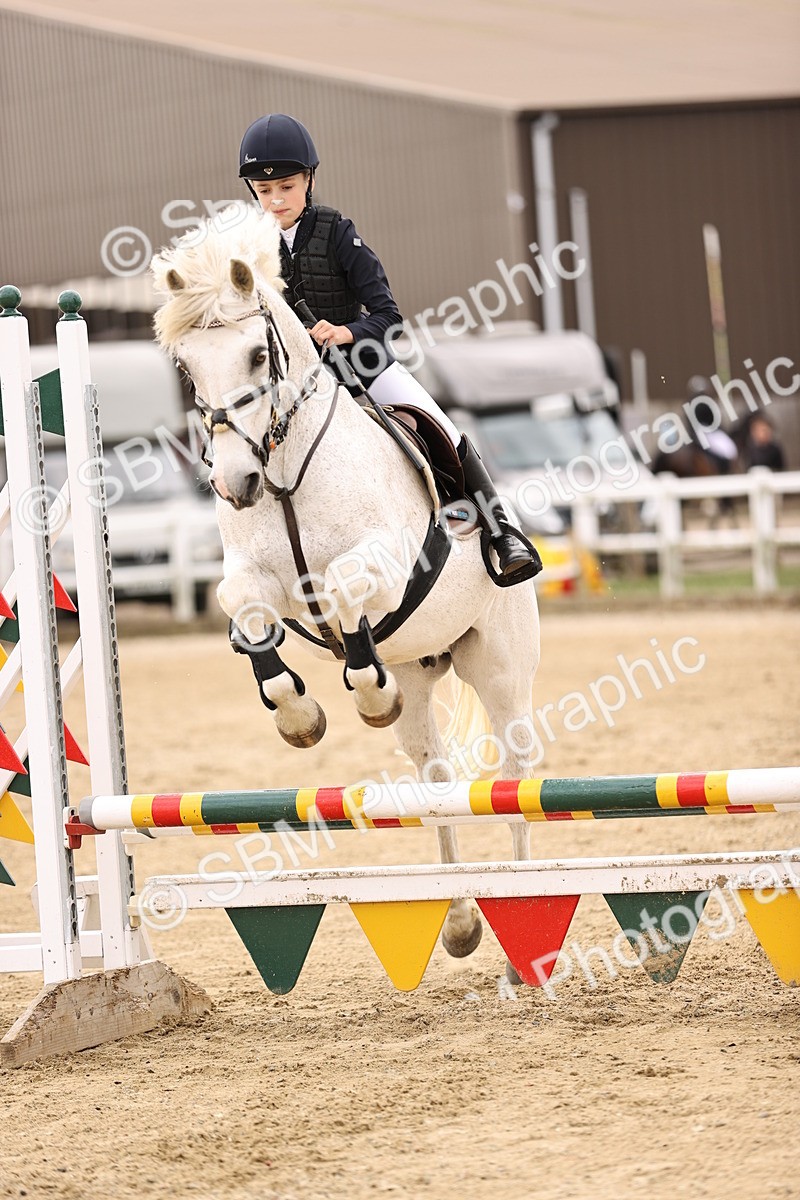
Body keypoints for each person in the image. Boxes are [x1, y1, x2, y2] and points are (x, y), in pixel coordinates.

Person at [237, 112, 540, 582]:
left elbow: (387, 315)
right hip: (296, 385)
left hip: (363, 366)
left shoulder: (338, 232)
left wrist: (346, 332)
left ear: (309, 180)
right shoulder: (251, 250)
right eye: (264, 190)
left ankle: (504, 534)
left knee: (441, 426)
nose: (276, 200)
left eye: (286, 187)